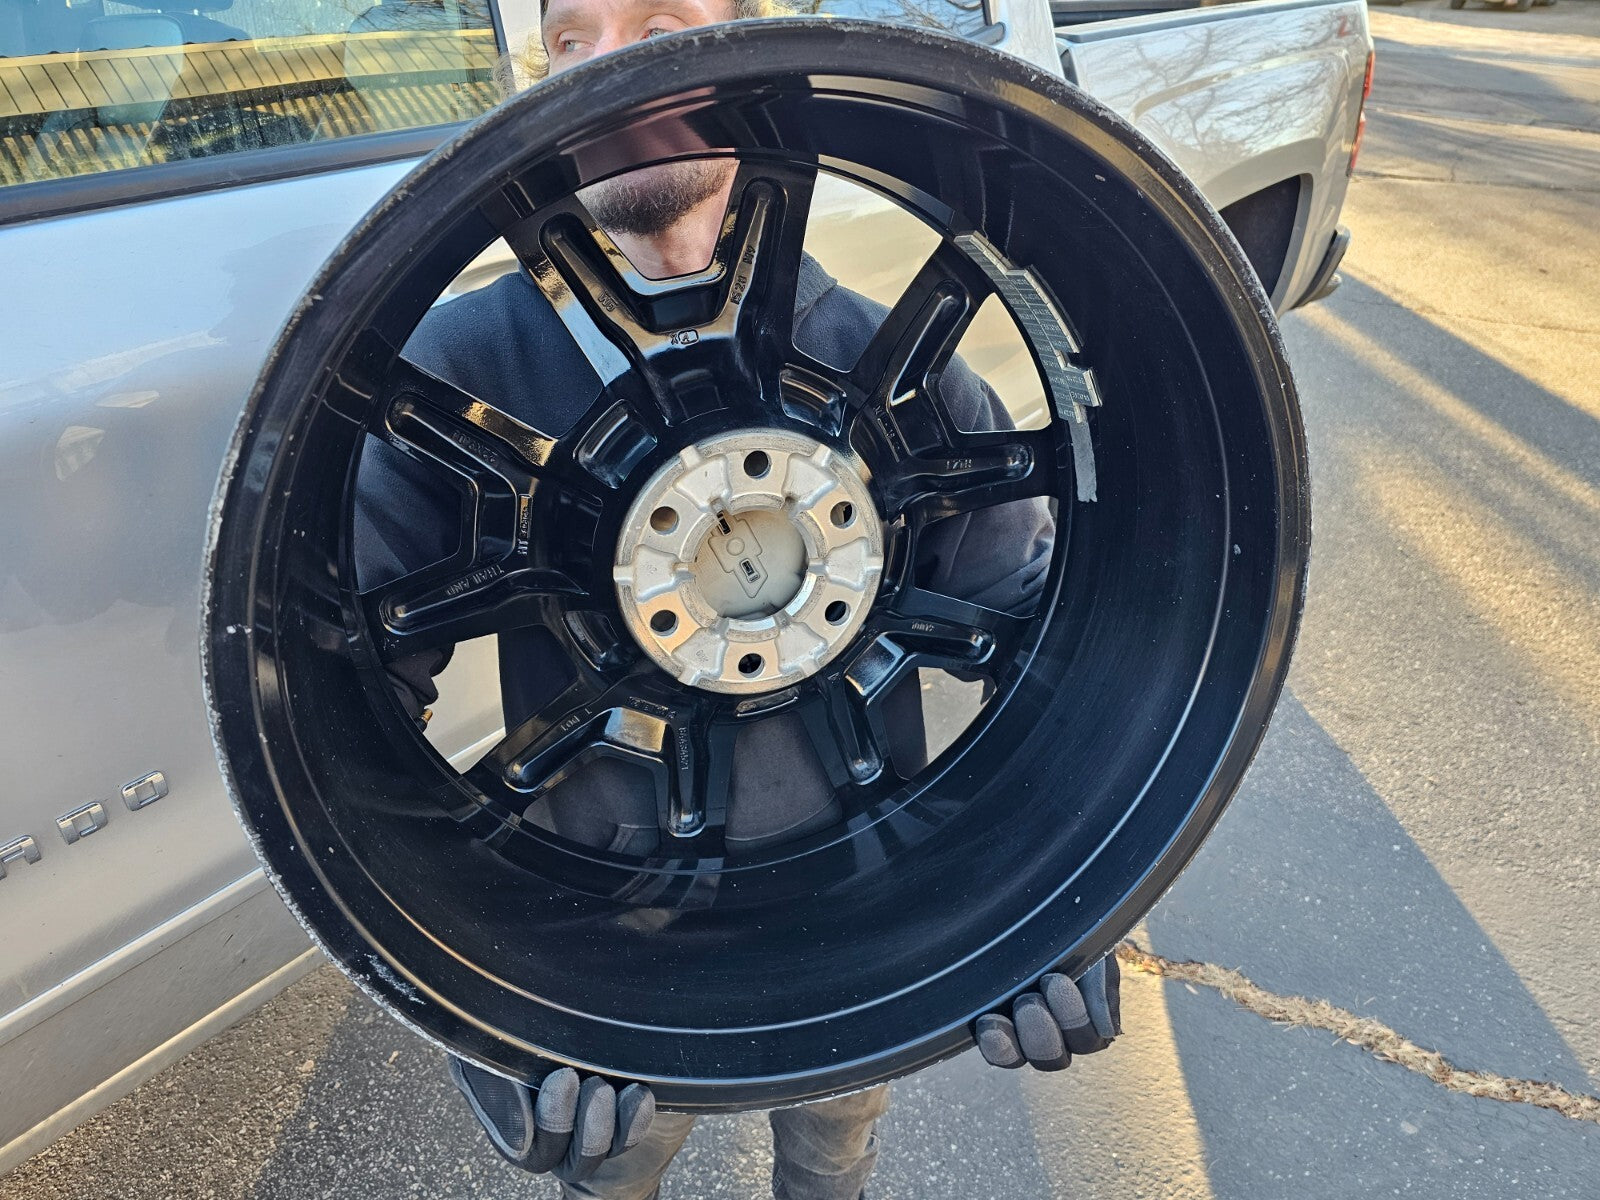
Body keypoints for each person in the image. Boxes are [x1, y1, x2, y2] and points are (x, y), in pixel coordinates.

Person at [355, 2, 1124, 1196]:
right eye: (571, 40)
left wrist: (1066, 885)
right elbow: (347, 708)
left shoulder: (900, 370)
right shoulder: (459, 377)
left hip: (857, 935)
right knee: (614, 1172)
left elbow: (1053, 647)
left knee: (835, 1149)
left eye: (661, 21)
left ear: (744, 64)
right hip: (606, 956)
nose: (610, 71)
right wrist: (477, 988)